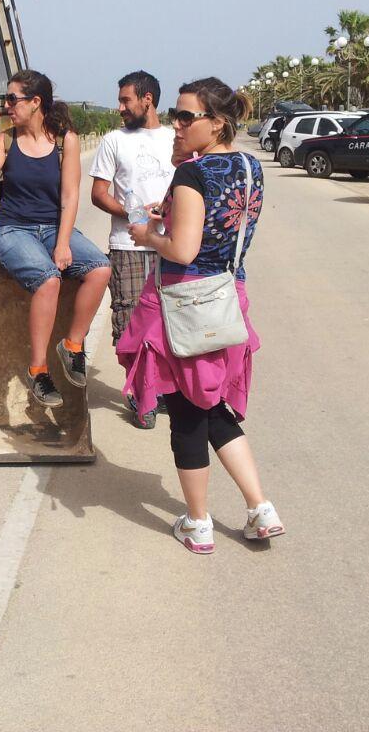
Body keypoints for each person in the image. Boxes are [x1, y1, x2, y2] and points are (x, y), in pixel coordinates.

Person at [117, 77, 284, 554]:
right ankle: (259, 508)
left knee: (188, 413)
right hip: (230, 296)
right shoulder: (249, 165)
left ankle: (198, 522)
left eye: (187, 117)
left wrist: (148, 235)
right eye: (176, 114)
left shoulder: (193, 174)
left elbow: (185, 247)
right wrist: (174, 182)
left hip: (187, 303)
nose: (176, 123)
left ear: (218, 122)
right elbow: (216, 225)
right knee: (212, 406)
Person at [0, 69, 110, 409]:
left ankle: (72, 345)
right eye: (6, 99)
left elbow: (70, 197)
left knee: (101, 268)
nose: (7, 106)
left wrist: (63, 243)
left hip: (51, 228)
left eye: (12, 99)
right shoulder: (6, 139)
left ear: (35, 102)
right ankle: (38, 371)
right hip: (11, 231)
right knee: (48, 280)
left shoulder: (65, 140)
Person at [89, 70, 176, 429]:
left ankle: (164, 389)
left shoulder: (176, 138)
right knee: (129, 324)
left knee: (171, 322)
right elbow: (99, 194)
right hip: (128, 246)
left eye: (126, 100)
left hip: (172, 244)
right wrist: (138, 214)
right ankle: (142, 393)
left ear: (147, 100)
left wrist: (170, 209)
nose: (120, 107)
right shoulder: (113, 141)